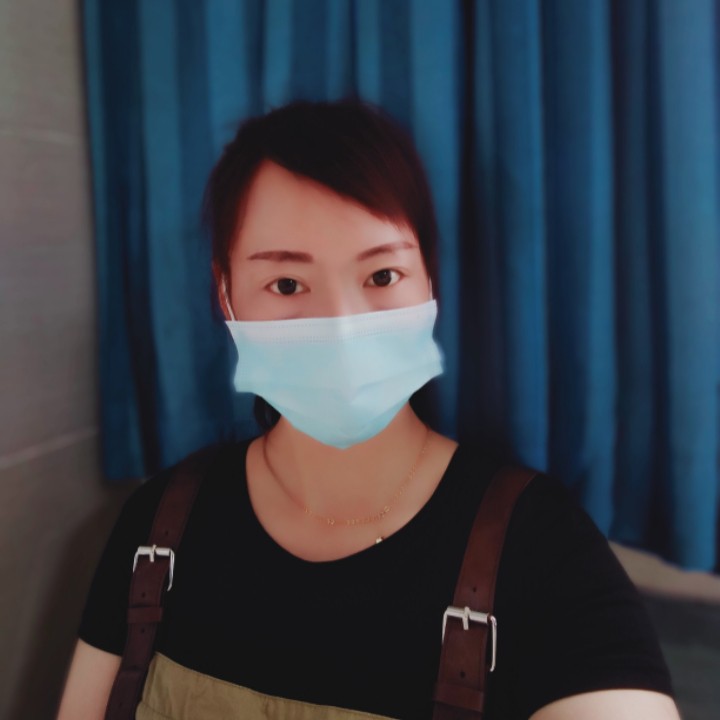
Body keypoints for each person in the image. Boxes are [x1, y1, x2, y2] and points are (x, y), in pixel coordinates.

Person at [57, 98, 680, 720]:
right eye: (287, 284)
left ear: (429, 282)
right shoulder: (158, 526)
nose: (342, 329)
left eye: (382, 276)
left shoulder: (541, 550)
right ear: (227, 296)